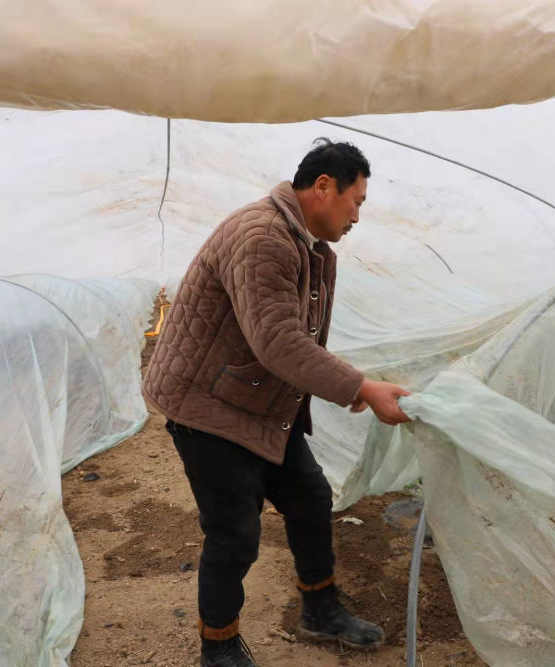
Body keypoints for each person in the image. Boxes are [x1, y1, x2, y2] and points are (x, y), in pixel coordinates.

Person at [143, 138, 412, 667]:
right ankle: (218, 648)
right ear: (323, 187)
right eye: (357, 201)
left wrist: (337, 382)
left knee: (310, 497)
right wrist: (359, 387)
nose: (359, 215)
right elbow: (279, 341)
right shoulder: (263, 235)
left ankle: (320, 609)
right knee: (235, 533)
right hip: (207, 405)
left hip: (257, 402)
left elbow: (297, 341)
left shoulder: (308, 247)